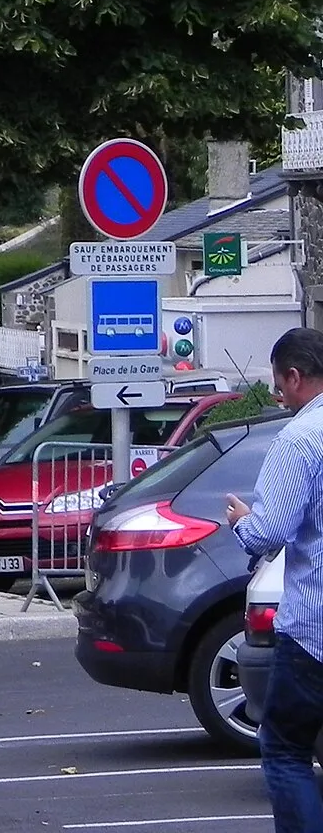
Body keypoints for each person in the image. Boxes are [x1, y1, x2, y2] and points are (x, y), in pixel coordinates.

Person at [227, 328, 323, 832]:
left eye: (278, 383)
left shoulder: (300, 439)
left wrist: (242, 520)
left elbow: (270, 532)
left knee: (285, 748)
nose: (276, 394)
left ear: (294, 375)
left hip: (315, 633)